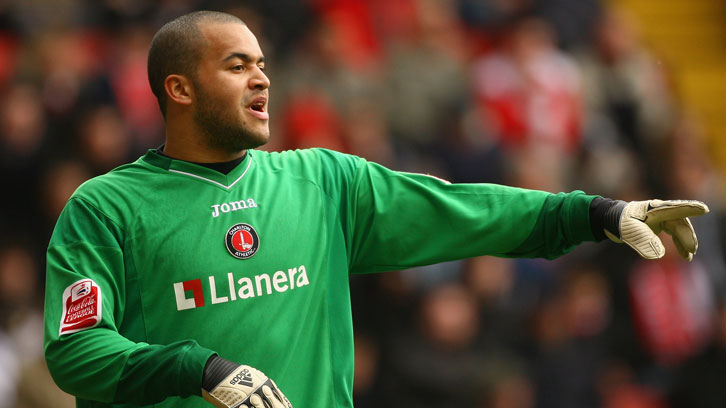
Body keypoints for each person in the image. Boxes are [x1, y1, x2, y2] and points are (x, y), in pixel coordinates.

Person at [42, 10, 708, 408]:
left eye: (263, 63)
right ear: (179, 88)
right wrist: (201, 369)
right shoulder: (107, 207)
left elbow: (458, 210)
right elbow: (76, 350)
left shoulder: (321, 180)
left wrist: (591, 213)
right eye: (236, 65)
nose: (262, 78)